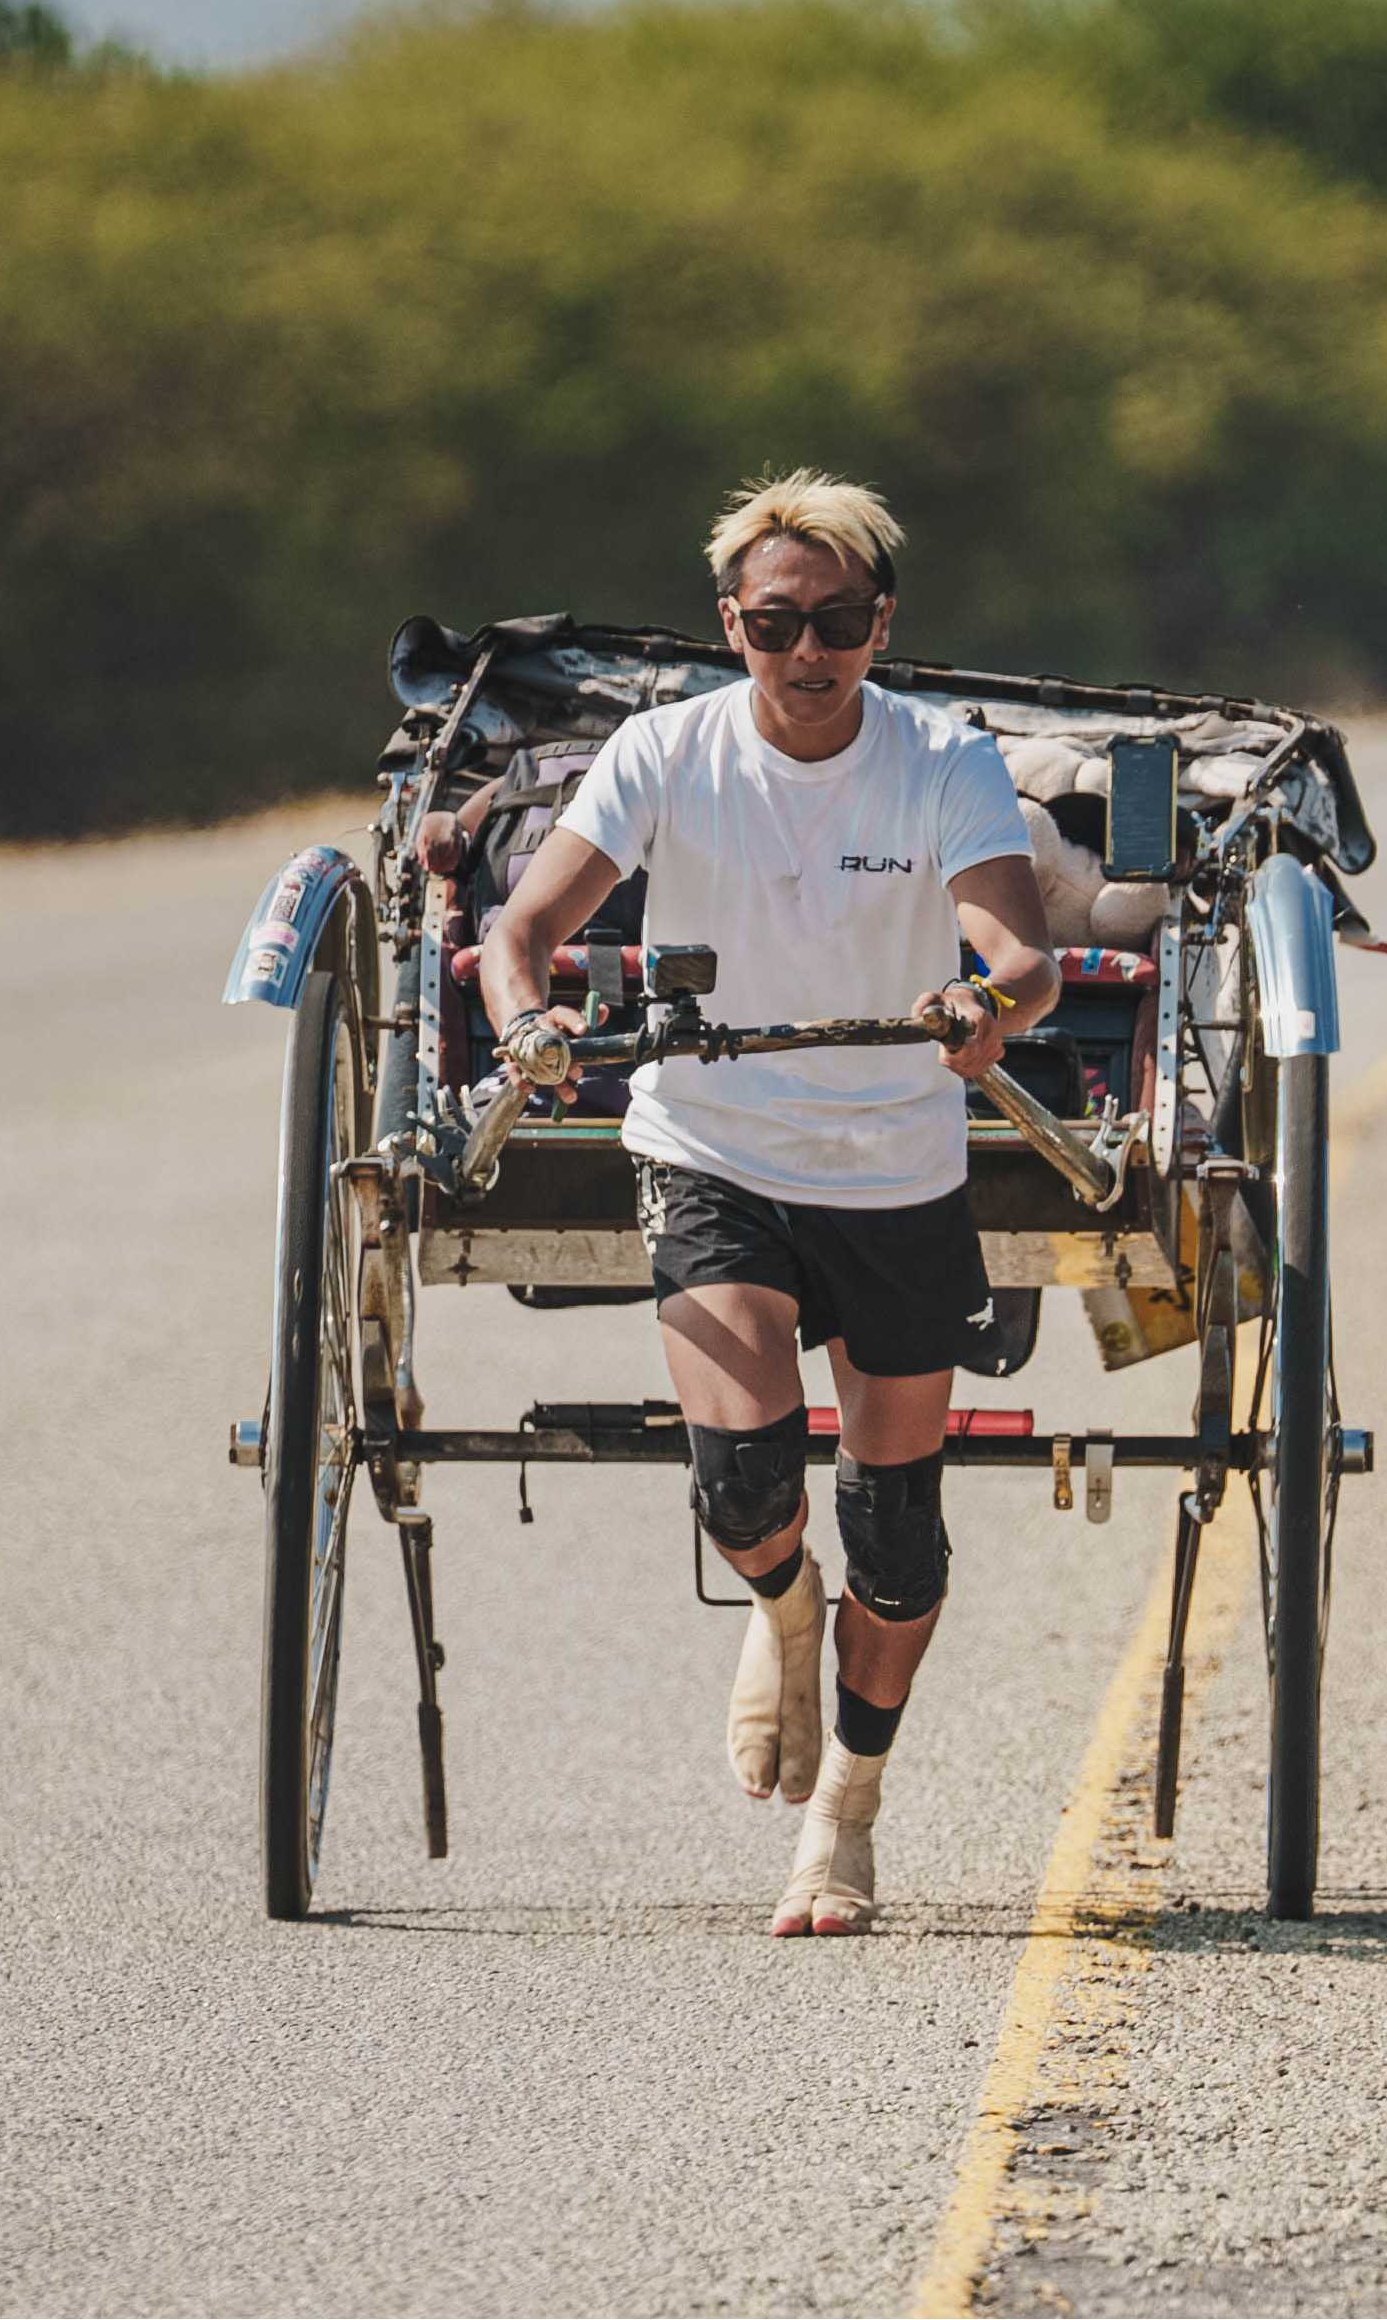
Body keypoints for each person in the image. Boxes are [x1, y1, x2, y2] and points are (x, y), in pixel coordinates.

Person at [478, 471, 1059, 1937]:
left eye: (843, 621)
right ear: (732, 624)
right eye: (780, 622)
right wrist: (523, 1018)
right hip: (715, 1147)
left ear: (883, 622)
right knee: (743, 1488)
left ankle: (842, 1822)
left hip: (899, 1166)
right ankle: (783, 1607)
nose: (812, 652)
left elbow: (1022, 950)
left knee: (903, 1539)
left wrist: (982, 998)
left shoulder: (943, 760)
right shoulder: (666, 752)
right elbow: (525, 929)